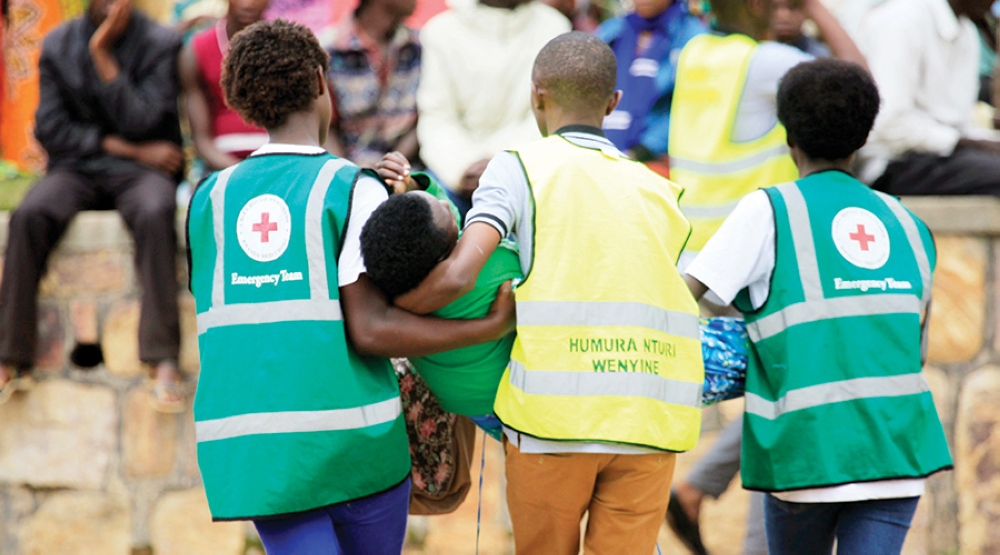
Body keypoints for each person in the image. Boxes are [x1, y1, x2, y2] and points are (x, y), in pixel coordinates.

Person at [185, 19, 515, 555]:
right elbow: (371, 327)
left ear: (243, 104)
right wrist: (487, 325)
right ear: (321, 82)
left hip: (256, 454)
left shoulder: (207, 201)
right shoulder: (349, 186)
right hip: (352, 442)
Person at [396, 32, 705, 555]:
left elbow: (459, 276)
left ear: (535, 93)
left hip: (554, 424)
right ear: (613, 102)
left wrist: (387, 320)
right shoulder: (659, 190)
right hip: (652, 420)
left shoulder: (517, 167)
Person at [684, 58, 953, 555]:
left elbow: (682, 297)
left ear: (789, 135)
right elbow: (912, 346)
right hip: (896, 449)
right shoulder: (907, 223)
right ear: (864, 138)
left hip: (807, 451)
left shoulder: (769, 211)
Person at [0, 0, 186, 410]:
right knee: (30, 215)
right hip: (80, 169)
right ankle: (11, 359)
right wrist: (127, 149)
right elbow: (50, 130)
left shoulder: (160, 43)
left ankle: (163, 360)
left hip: (143, 176)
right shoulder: (58, 44)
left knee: (156, 213)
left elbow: (147, 120)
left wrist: (103, 56)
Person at [668, 0, 866, 263]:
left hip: (694, 247)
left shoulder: (693, 52)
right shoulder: (764, 61)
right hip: (752, 251)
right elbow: (861, 86)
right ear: (757, 4)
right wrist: (814, 7)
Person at [415, 0, 569, 220]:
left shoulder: (554, 27)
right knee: (430, 213)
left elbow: (551, 113)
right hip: (456, 175)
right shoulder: (440, 31)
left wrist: (499, 166)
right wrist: (462, 168)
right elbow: (436, 115)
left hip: (526, 171)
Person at [857, 0, 1000, 196]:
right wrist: (966, 142)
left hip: (948, 158)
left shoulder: (967, 32)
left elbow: (959, 123)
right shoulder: (902, 19)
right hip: (892, 164)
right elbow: (887, 123)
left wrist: (983, 140)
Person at [595, 0, 707, 170]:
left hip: (657, 164)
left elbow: (693, 106)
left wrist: (642, 151)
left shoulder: (694, 38)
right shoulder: (610, 32)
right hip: (601, 158)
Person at [320, 0, 421, 169]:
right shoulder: (329, 49)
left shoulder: (420, 46)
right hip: (344, 171)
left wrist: (393, 166)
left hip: (407, 171)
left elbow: (424, 121)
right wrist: (350, 174)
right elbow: (324, 129)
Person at [179, 0, 270, 172]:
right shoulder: (197, 50)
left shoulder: (287, 49)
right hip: (222, 165)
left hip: (277, 161)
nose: (248, 4)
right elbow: (201, 140)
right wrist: (240, 172)